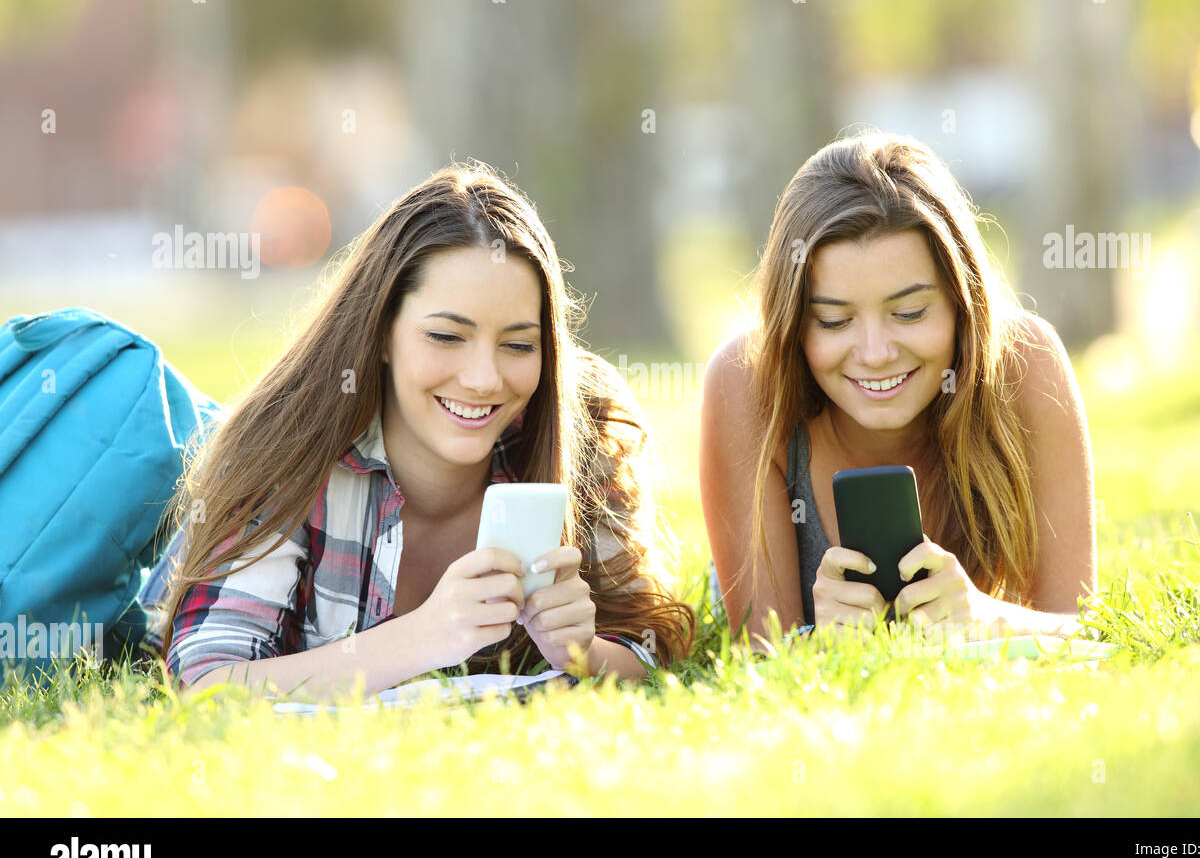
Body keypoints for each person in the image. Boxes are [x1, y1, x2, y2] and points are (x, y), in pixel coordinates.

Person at [152, 161, 693, 700]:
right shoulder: (288, 443)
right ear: (381, 332)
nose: (484, 380)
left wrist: (585, 652)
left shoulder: (581, 424)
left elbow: (648, 648)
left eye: (519, 345)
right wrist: (423, 638)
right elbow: (208, 685)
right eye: (446, 336)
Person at [699, 131, 1096, 647]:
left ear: (962, 301)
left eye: (909, 313)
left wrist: (984, 618)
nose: (875, 352)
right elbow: (759, 653)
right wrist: (820, 646)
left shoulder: (1027, 366)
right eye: (834, 321)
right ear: (794, 323)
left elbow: (1084, 632)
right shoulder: (746, 381)